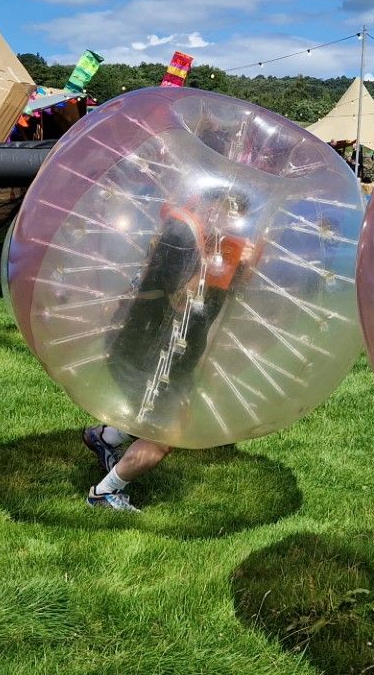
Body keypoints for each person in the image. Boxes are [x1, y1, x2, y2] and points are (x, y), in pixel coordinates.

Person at [81, 190, 259, 512]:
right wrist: (213, 261)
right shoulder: (181, 237)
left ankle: (105, 437)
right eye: (225, 210)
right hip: (146, 352)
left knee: (176, 415)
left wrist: (242, 265)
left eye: (236, 216)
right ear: (207, 205)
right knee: (166, 437)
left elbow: (224, 297)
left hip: (172, 354)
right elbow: (181, 299)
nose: (230, 221)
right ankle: (104, 493)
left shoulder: (218, 244)